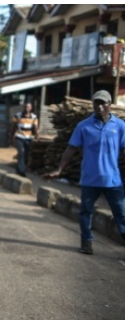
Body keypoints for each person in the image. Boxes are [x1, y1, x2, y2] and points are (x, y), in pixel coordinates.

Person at [42, 90, 125, 254]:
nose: (99, 107)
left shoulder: (120, 126)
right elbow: (71, 148)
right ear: (93, 104)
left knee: (121, 214)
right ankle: (86, 242)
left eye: (103, 103)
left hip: (112, 180)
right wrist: (59, 169)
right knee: (86, 212)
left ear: (109, 105)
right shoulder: (84, 126)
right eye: (96, 103)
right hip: (90, 179)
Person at [9, 102, 40, 177]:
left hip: (28, 138)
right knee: (21, 152)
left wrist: (37, 135)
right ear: (23, 107)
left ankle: (19, 169)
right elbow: (13, 126)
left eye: (28, 107)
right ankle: (22, 171)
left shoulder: (34, 117)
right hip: (19, 137)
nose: (27, 108)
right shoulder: (18, 115)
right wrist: (11, 136)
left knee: (26, 155)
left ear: (31, 108)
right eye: (26, 107)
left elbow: (35, 127)